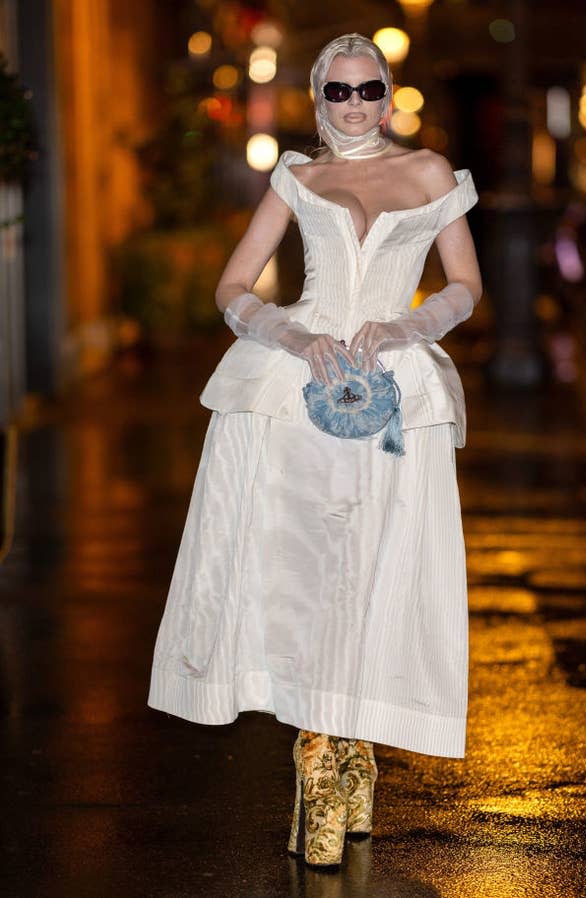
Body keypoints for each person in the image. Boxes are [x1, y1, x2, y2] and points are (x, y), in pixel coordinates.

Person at [147, 32, 482, 868]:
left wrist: (409, 323)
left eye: (370, 89)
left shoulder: (431, 173)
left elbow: (468, 285)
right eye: (339, 92)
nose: (356, 105)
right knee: (302, 570)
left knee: (380, 565)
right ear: (316, 96)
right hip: (299, 392)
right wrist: (289, 339)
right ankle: (317, 748)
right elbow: (233, 285)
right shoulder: (298, 177)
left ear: (390, 90)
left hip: (397, 390)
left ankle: (355, 739)